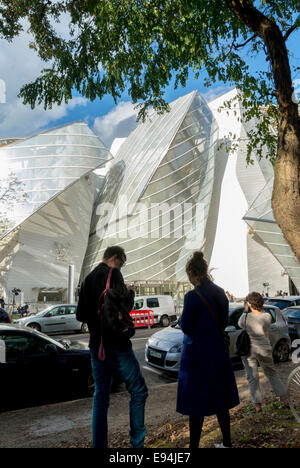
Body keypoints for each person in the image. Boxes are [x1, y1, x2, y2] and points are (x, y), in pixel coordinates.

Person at [76, 246, 148, 449]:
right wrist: (130, 294)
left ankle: (99, 446)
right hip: (117, 346)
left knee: (101, 396)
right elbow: (125, 308)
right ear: (115, 258)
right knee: (139, 390)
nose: (122, 267)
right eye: (122, 262)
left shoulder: (88, 278)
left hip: (96, 346)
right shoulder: (113, 274)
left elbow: (80, 315)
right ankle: (137, 445)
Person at [176, 251, 240, 449]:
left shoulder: (192, 296)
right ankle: (227, 442)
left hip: (197, 354)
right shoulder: (221, 292)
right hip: (218, 351)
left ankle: (194, 445)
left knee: (197, 402)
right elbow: (223, 321)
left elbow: (186, 325)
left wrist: (180, 319)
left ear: (192, 273)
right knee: (220, 397)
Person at [238, 292, 288, 413]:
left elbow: (240, 325)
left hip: (250, 350)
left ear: (250, 304)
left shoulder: (245, 317)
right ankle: (284, 400)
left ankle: (258, 407)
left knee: (252, 378)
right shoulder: (267, 316)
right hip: (264, 349)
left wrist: (245, 310)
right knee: (272, 374)